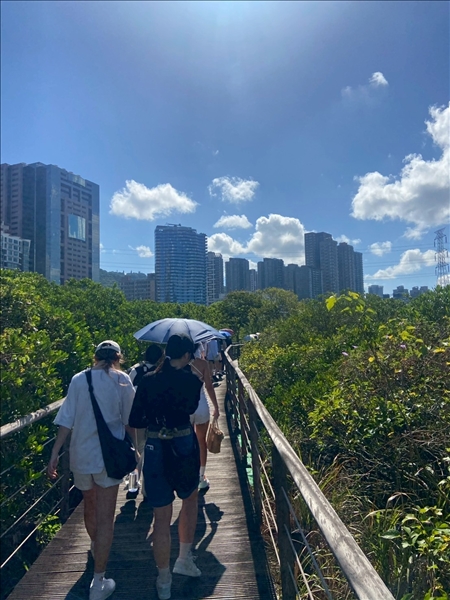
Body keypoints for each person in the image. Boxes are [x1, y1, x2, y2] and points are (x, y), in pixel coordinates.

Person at [47, 340, 136, 600]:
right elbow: (130, 420)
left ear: (95, 357)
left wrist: (54, 454)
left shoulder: (78, 379)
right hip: (109, 459)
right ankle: (99, 581)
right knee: (106, 517)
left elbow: (66, 420)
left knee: (90, 506)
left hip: (81, 456)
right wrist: (137, 449)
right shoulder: (122, 380)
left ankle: (97, 547)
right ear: (117, 358)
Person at [128, 334, 203, 600]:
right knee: (189, 499)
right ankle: (184, 558)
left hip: (154, 444)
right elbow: (192, 407)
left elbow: (135, 419)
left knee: (161, 517)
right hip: (183, 441)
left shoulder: (148, 380)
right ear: (187, 355)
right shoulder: (192, 380)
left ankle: (163, 580)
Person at [127, 344, 163, 496]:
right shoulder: (160, 372)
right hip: (155, 418)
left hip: (137, 416)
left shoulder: (136, 371)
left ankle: (132, 485)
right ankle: (146, 489)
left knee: (138, 449)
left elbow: (127, 391)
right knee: (151, 451)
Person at [189, 344, 220, 492]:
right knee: (201, 441)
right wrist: (216, 407)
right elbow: (209, 386)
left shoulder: (179, 363)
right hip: (201, 405)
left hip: (185, 408)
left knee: (187, 440)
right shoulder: (203, 364)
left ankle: (189, 472)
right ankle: (201, 477)